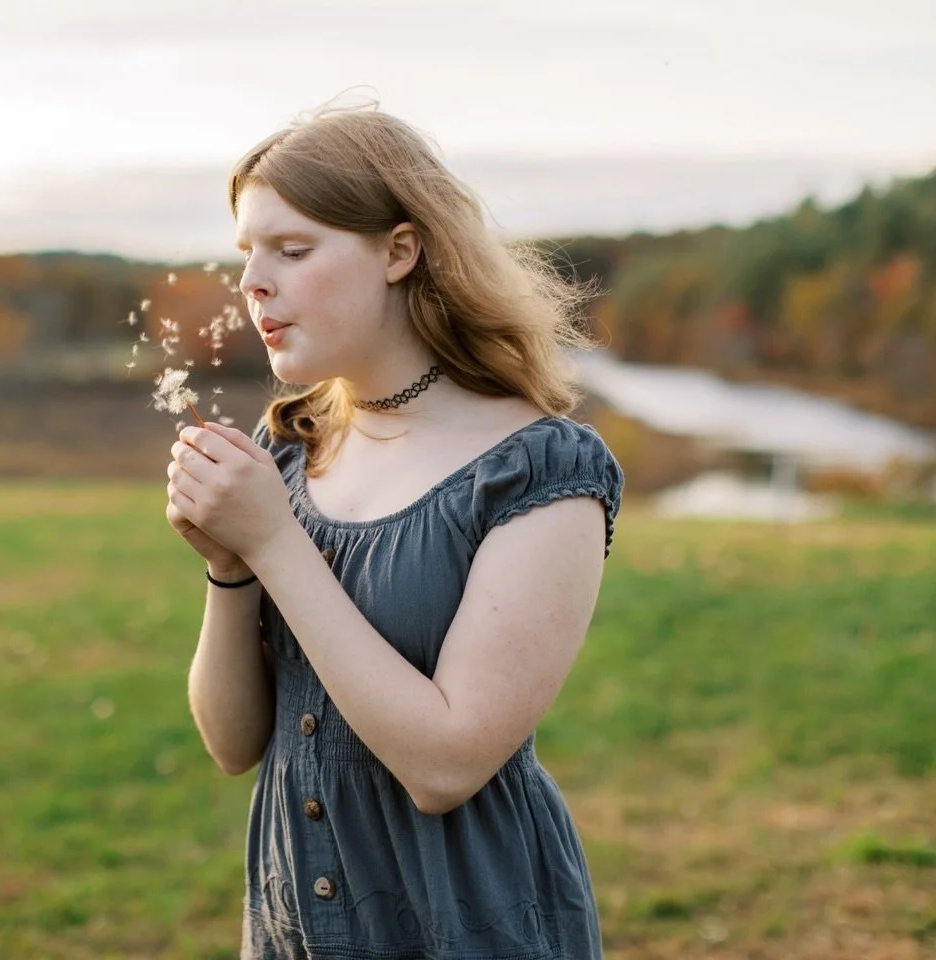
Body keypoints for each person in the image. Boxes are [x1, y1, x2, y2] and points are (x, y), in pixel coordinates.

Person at [164, 103, 623, 960]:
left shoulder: (539, 468)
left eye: (292, 251)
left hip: (466, 925)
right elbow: (233, 745)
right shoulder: (291, 447)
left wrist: (270, 542)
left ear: (399, 252)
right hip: (295, 922)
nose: (253, 283)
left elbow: (446, 767)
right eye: (247, 255)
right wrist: (228, 566)